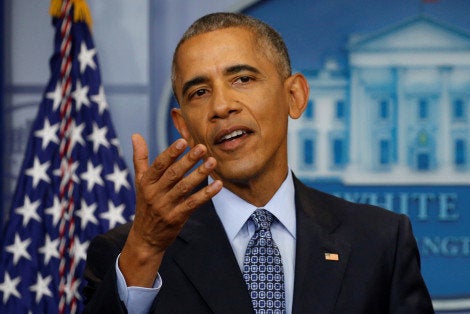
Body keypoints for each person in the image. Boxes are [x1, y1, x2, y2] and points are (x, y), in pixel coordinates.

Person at [82, 12, 434, 314]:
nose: (222, 106)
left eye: (243, 79)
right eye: (199, 92)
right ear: (183, 127)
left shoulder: (379, 241)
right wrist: (145, 251)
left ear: (293, 96)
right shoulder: (130, 254)